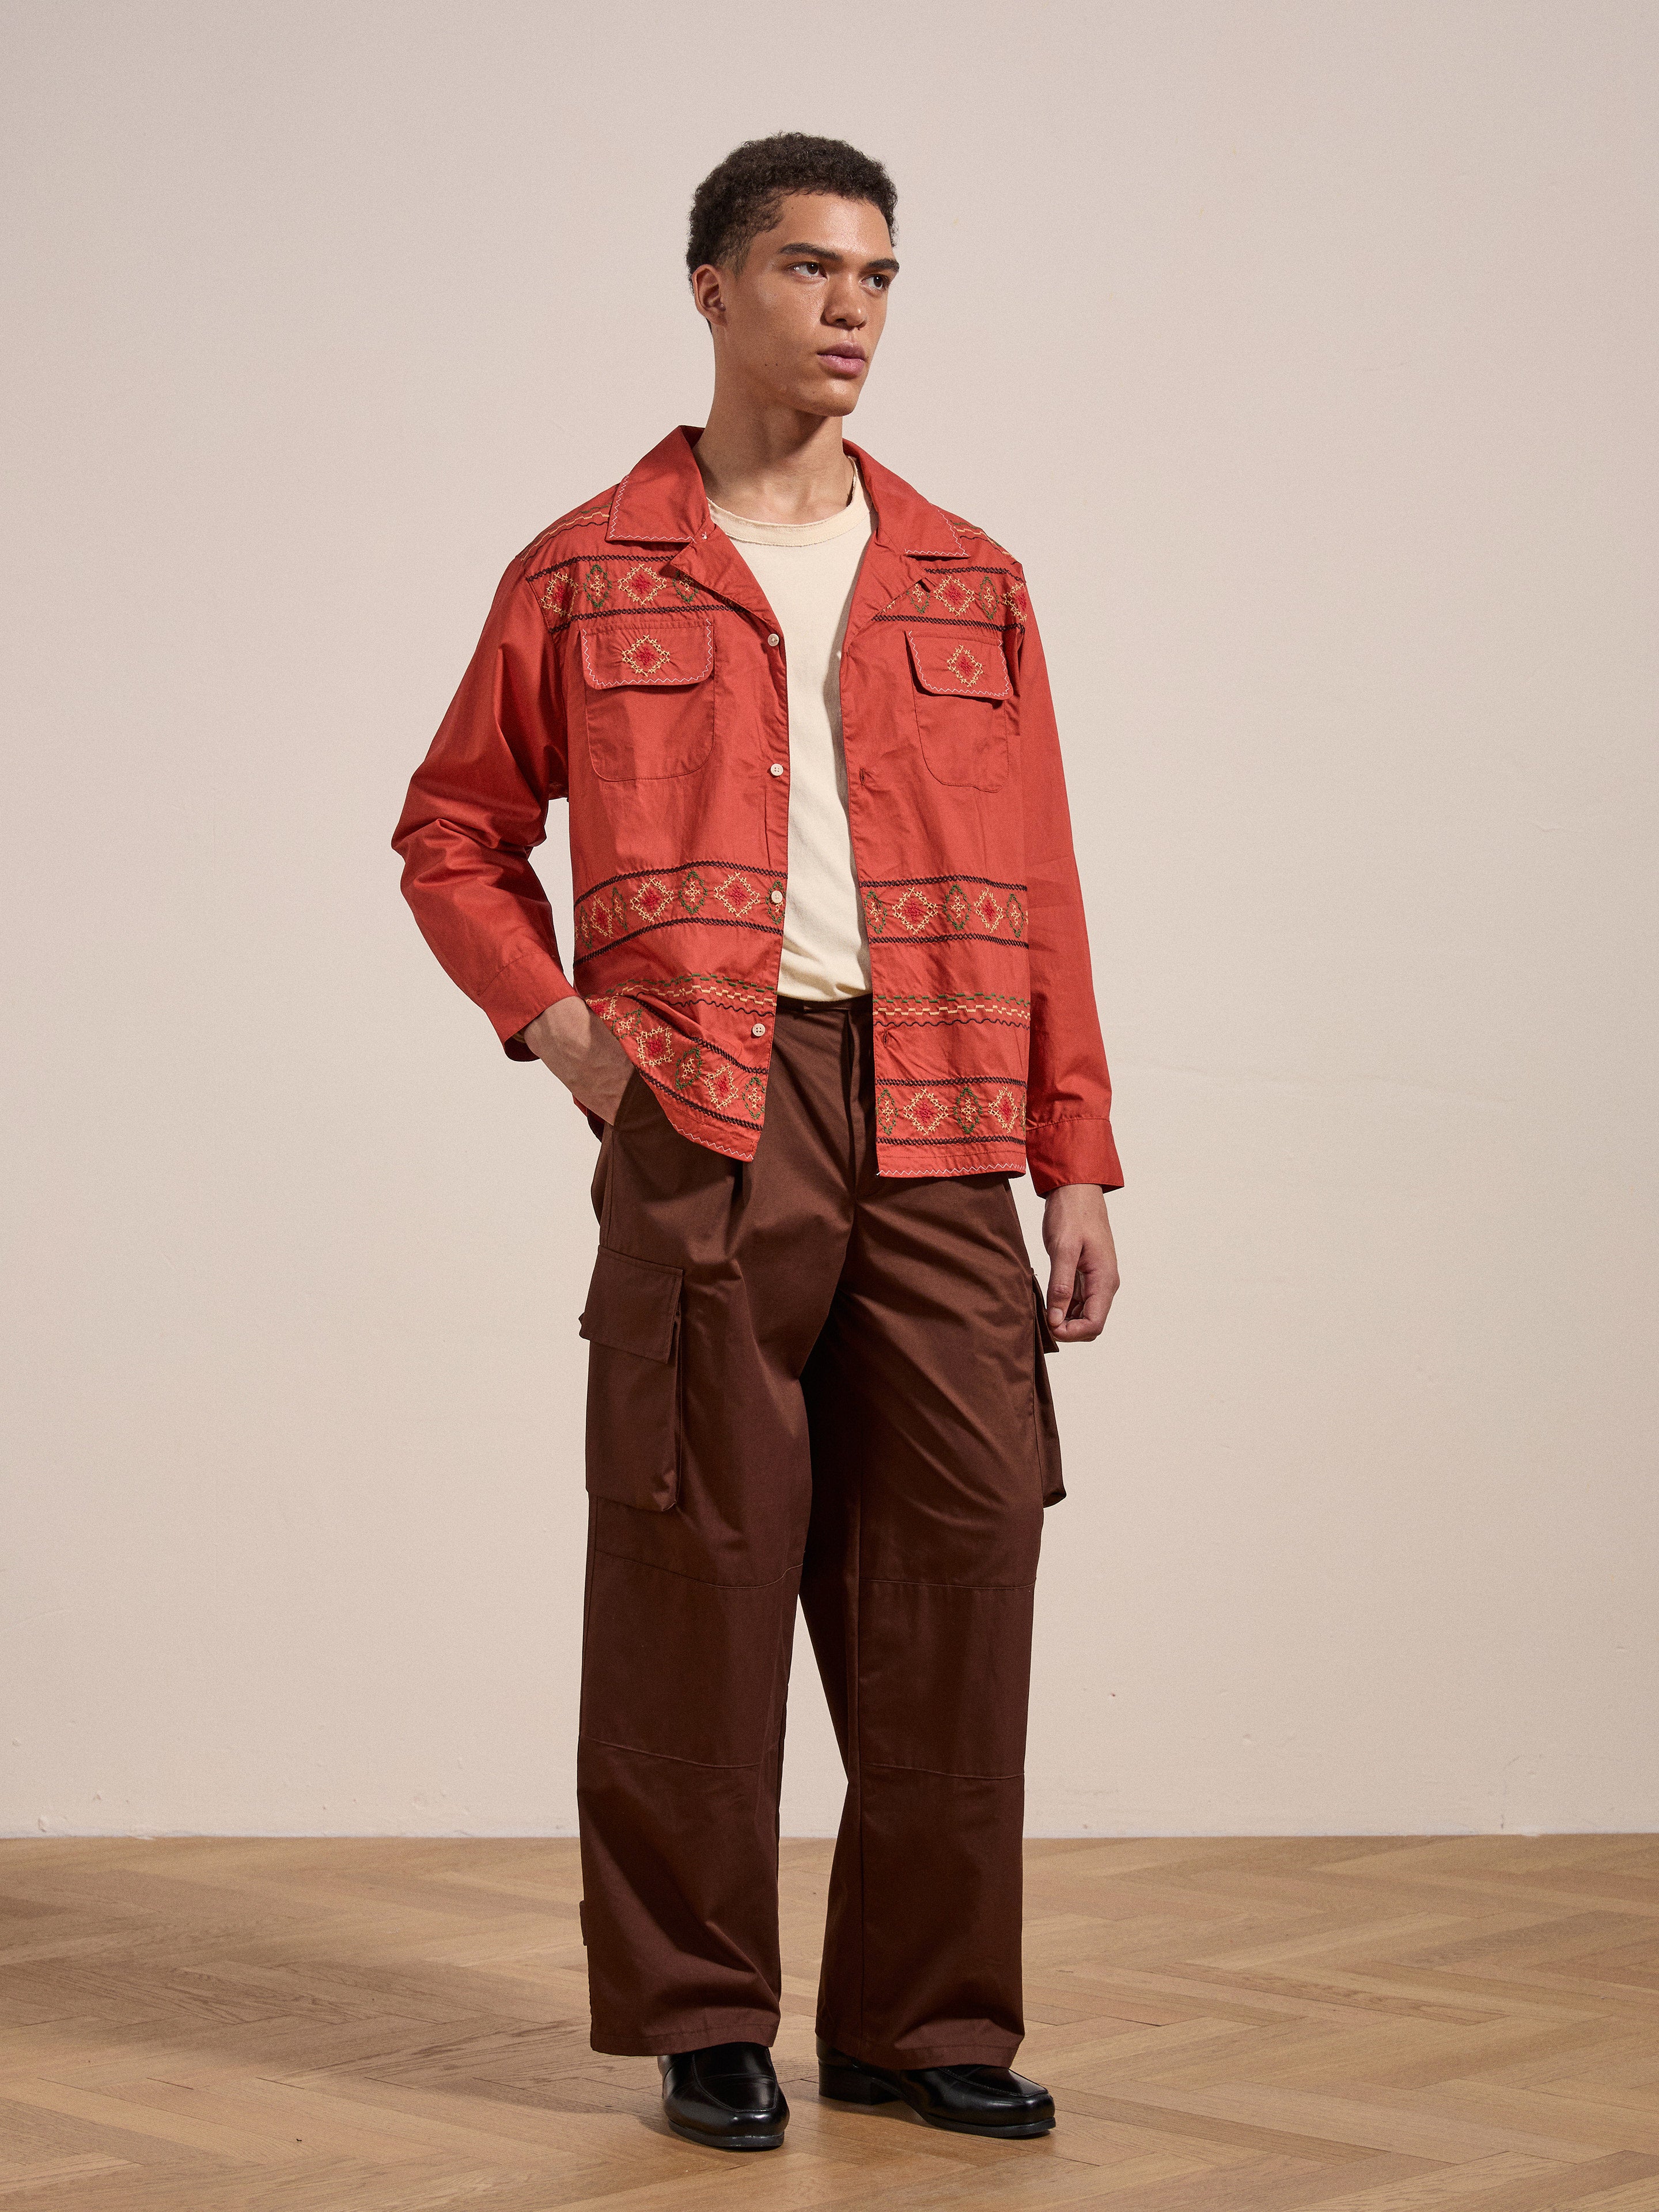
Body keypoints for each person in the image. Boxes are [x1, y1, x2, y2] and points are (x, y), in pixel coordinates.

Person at [392, 132, 1122, 2154]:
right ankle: (707, 2015)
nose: (854, 309)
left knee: (964, 1566)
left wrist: (1079, 1153)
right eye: (811, 269)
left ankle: (920, 2022)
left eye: (880, 276)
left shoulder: (973, 576)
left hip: (954, 1105)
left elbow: (1044, 879)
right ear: (713, 289)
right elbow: (452, 833)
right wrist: (557, 1029)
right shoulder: (586, 566)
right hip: (709, 1108)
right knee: (698, 1565)